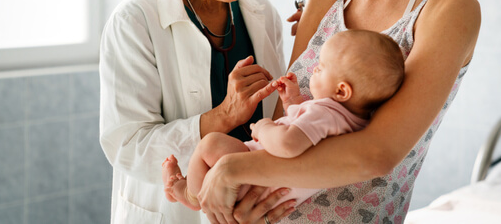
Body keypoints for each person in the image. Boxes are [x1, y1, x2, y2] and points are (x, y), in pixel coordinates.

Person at [194, 0, 481, 223]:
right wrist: (244, 192)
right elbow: (286, 125)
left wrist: (232, 169)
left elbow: (377, 154)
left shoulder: (448, 9)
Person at [98, 0, 295, 223]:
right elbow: (128, 146)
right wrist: (224, 116)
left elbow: (278, 122)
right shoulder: (134, 22)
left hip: (252, 209)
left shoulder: (262, 12)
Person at [162, 30, 405, 212]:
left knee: (210, 144)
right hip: (270, 188)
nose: (314, 71)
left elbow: (289, 144)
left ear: (341, 91)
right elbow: (303, 132)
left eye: (321, 68)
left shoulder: (325, 112)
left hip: (254, 175)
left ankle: (190, 194)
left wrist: (264, 127)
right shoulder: (349, 120)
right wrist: (292, 101)